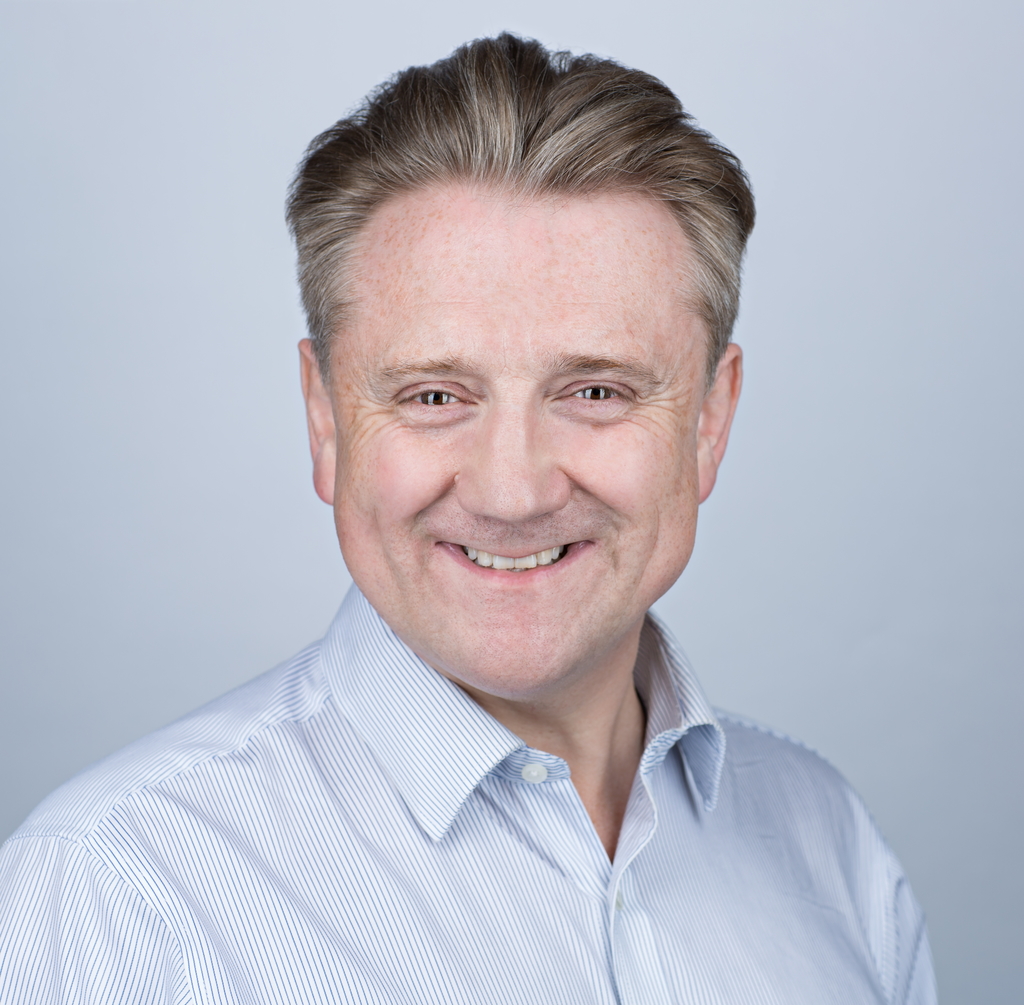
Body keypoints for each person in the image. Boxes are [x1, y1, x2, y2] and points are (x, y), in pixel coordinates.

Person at [0, 34, 936, 1004]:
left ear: (709, 420)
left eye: (597, 391)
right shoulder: (114, 903)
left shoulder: (831, 849)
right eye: (435, 397)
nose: (512, 491)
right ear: (325, 421)